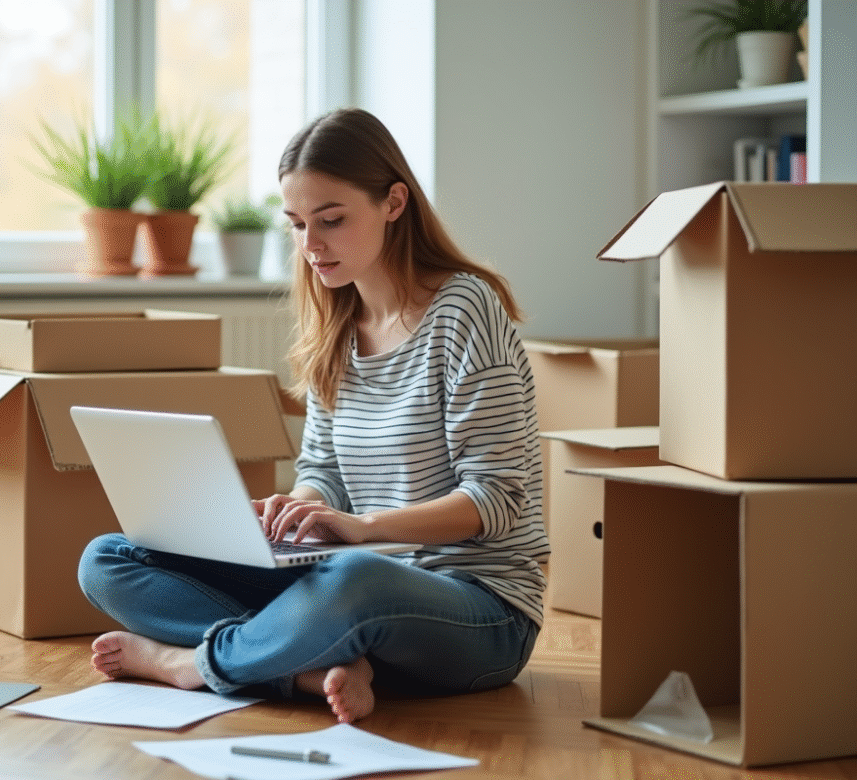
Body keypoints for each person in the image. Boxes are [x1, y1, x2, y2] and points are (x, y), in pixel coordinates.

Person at [77, 107, 548, 723]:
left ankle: (192, 664)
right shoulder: (337, 323)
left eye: (331, 220)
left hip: (481, 612)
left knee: (354, 579)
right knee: (109, 559)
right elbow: (323, 466)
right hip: (351, 581)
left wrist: (362, 528)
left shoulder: (464, 311)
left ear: (394, 203)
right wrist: (296, 512)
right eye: (297, 224)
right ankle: (304, 670)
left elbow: (495, 502)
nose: (310, 245)